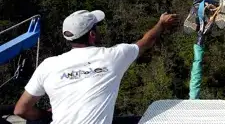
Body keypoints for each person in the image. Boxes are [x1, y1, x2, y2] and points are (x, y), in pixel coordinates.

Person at [13, 9, 179, 124]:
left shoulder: (48, 65)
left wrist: (46, 115)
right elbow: (146, 42)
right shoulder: (112, 57)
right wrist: (161, 24)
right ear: (92, 35)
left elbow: (21, 110)